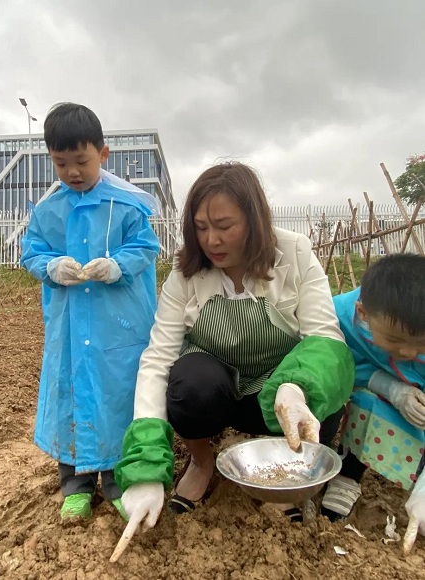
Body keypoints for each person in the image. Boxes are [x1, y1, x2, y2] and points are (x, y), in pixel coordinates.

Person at [113, 162, 355, 535]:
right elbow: (158, 357)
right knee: (189, 383)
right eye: (202, 227)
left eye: (225, 226)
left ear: (254, 221)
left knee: (325, 398)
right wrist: (144, 469)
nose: (212, 241)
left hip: (276, 394)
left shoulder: (295, 254)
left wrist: (295, 388)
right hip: (217, 390)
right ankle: (202, 462)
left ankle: (288, 470)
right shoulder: (187, 272)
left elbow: (325, 338)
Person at [20, 102, 160, 521]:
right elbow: (32, 253)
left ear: (103, 154)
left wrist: (118, 264)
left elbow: (146, 247)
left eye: (81, 161)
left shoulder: (126, 207)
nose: (72, 172)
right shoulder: (48, 211)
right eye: (61, 163)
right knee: (71, 397)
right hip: (68, 326)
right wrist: (50, 266)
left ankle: (118, 482)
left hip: (115, 327)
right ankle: (75, 485)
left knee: (116, 399)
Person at [321, 254, 425, 551]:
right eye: (394, 340)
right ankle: (348, 474)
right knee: (354, 396)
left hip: (417, 407)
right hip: (360, 393)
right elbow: (332, 362)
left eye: (421, 344)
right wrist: (389, 387)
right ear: (363, 313)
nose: (407, 351)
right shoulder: (338, 316)